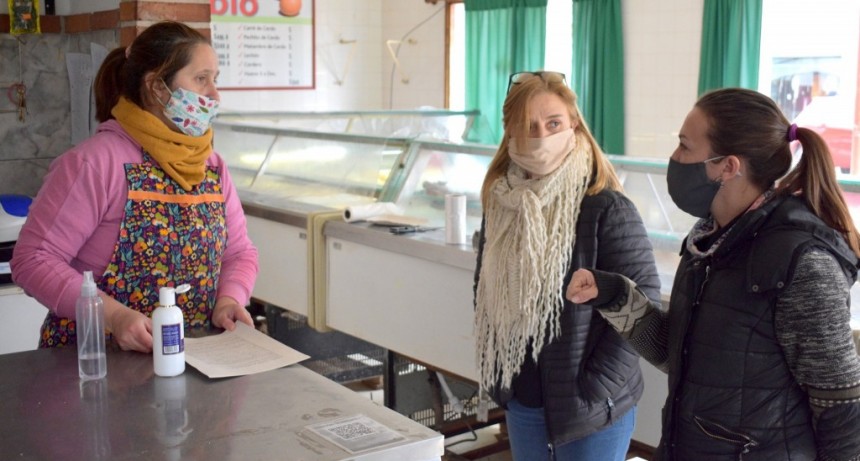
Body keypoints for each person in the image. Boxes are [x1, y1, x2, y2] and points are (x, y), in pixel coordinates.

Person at [566, 87, 860, 460]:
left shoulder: (801, 261)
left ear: (728, 166)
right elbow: (681, 354)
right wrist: (614, 294)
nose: (674, 158)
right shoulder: (708, 241)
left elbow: (840, 404)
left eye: (685, 147)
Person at [11, 21, 259, 353]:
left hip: (193, 360)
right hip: (93, 363)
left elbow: (240, 252)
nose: (214, 94)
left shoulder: (210, 167)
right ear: (158, 87)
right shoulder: (95, 163)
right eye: (201, 79)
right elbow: (33, 260)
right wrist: (112, 316)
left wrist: (230, 299)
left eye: (215, 80)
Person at [473, 71, 661, 460]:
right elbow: (484, 290)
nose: (540, 135)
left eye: (553, 123)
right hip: (523, 398)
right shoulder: (501, 205)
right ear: (510, 136)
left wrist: (594, 389)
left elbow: (642, 304)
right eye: (528, 126)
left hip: (590, 408)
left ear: (574, 125)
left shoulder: (606, 207)